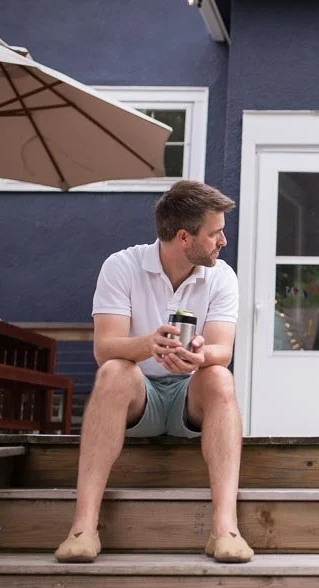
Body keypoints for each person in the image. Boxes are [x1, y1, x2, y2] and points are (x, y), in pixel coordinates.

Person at [54, 180, 253, 563]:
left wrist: (198, 355)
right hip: (136, 396)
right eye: (215, 233)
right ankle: (83, 528)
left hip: (188, 399)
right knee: (112, 372)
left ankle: (225, 528)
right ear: (184, 237)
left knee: (219, 376)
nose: (223, 241)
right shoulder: (122, 266)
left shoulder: (221, 276)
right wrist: (148, 344)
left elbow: (221, 351)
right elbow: (104, 348)